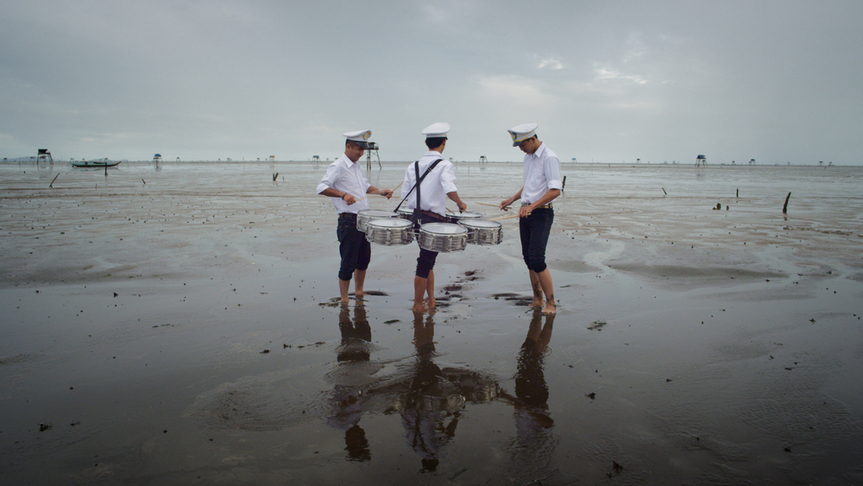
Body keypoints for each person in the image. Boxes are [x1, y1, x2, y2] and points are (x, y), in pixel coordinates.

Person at [317, 129, 392, 303]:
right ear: (348, 146)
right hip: (348, 220)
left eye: (363, 150)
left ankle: (359, 291)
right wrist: (343, 195)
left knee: (364, 259)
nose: (361, 153)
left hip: (364, 220)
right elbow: (321, 187)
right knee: (348, 261)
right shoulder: (338, 166)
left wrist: (381, 192)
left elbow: (364, 187)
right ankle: (344, 299)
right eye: (358, 149)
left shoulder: (357, 166)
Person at [401, 122, 467, 313]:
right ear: (444, 142)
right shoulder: (445, 165)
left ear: (426, 142)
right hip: (433, 221)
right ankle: (417, 304)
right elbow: (449, 188)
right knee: (425, 261)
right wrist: (460, 203)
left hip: (416, 218)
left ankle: (431, 299)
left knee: (428, 260)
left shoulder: (413, 165)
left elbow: (405, 194)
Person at [500, 123, 562, 315]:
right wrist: (512, 199)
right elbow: (529, 186)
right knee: (528, 259)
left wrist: (532, 206)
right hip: (526, 211)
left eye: (522, 145)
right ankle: (537, 299)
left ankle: (551, 304)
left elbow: (555, 190)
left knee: (537, 259)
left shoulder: (549, 157)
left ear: (533, 139)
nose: (521, 149)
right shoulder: (528, 158)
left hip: (541, 213)